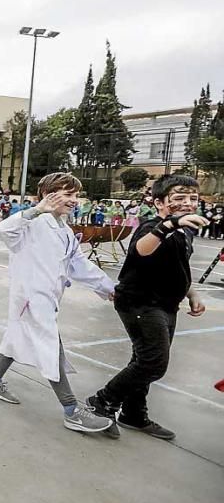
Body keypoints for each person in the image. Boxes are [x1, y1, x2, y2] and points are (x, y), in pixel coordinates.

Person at [0, 173, 115, 434]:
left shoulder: (64, 229)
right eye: (67, 193)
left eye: (76, 195)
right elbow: (4, 230)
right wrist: (37, 210)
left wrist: (109, 289)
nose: (74, 200)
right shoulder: (33, 223)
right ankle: (72, 410)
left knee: (15, 339)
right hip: (31, 298)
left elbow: (79, 265)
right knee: (51, 347)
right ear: (47, 194)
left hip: (47, 298)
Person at [88, 174, 208, 440]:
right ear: (159, 203)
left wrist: (191, 292)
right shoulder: (151, 227)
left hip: (167, 304)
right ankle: (103, 401)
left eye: (193, 198)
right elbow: (142, 251)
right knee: (154, 363)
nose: (188, 204)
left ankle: (133, 413)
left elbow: (179, 266)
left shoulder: (186, 231)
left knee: (143, 360)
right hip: (139, 302)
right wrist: (168, 225)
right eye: (178, 199)